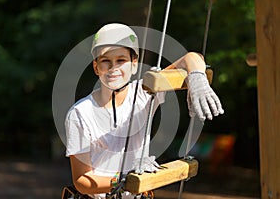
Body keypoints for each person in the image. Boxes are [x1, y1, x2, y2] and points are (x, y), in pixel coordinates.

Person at [64, 23, 224, 199]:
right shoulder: (80, 113)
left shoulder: (144, 92)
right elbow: (82, 180)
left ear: (134, 64)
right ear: (96, 67)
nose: (113, 68)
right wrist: (123, 180)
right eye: (105, 61)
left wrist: (197, 78)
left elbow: (192, 58)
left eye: (121, 60)